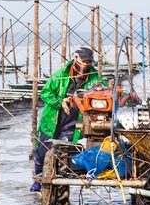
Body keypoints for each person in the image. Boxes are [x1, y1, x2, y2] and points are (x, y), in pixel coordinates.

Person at [31, 47, 105, 192]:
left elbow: (105, 91)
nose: (85, 65)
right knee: (41, 152)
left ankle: (60, 187)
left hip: (73, 122)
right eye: (83, 61)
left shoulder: (94, 78)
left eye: (89, 62)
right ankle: (38, 181)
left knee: (63, 152)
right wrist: (60, 101)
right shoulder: (60, 75)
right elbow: (45, 93)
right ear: (75, 59)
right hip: (52, 120)